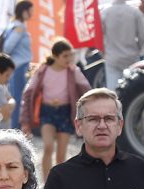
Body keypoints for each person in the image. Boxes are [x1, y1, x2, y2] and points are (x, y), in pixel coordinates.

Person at [20, 38, 92, 178]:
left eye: (71, 55)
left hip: (65, 112)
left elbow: (86, 88)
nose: (69, 59)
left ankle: (58, 182)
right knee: (48, 146)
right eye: (65, 56)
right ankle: (46, 181)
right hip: (47, 111)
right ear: (55, 56)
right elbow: (29, 92)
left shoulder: (72, 71)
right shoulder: (43, 70)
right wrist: (25, 120)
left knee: (61, 153)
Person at [100, 0, 144, 91]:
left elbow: (99, 36)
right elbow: (142, 37)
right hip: (131, 56)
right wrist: (138, 50)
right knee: (133, 89)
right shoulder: (134, 12)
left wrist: (103, 52)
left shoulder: (105, 12)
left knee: (113, 90)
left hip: (112, 56)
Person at [4, 0, 35, 129]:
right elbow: (7, 47)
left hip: (17, 67)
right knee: (18, 99)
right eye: (31, 10)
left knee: (17, 97)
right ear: (24, 11)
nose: (32, 14)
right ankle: (15, 128)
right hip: (18, 67)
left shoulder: (13, 24)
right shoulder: (19, 27)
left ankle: (15, 127)